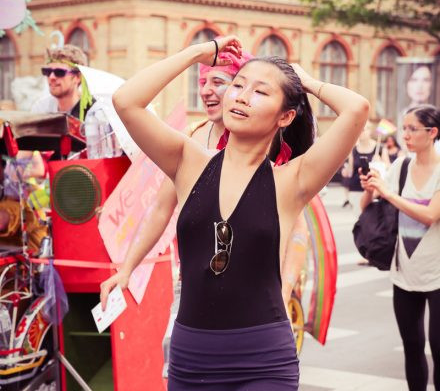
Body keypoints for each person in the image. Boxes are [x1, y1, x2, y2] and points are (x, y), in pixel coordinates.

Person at [110, 36, 369, 390]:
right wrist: (198, 54)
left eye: (261, 92)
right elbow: (126, 102)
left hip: (262, 359)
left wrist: (305, 81)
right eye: (238, 85)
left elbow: (356, 109)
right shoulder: (187, 160)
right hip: (191, 356)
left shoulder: (292, 181)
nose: (242, 97)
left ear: (286, 115)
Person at [100, 50, 309, 315]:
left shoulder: (268, 148)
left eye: (219, 82)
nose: (207, 91)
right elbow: (161, 207)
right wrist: (127, 268)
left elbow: (298, 230)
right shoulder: (192, 140)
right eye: (202, 83)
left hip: (259, 304)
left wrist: (284, 291)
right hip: (199, 295)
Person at [360, 104, 440, 391]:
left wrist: (389, 193)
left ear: (432, 133)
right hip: (403, 272)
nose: (404, 135)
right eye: (403, 128)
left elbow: (431, 215)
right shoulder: (401, 166)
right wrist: (371, 190)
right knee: (412, 346)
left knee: (439, 349)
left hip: (437, 274)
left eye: (411, 129)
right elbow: (368, 207)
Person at [31, 44, 94, 121]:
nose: (52, 77)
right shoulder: (41, 109)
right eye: (47, 71)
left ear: (78, 77)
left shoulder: (94, 112)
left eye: (59, 72)